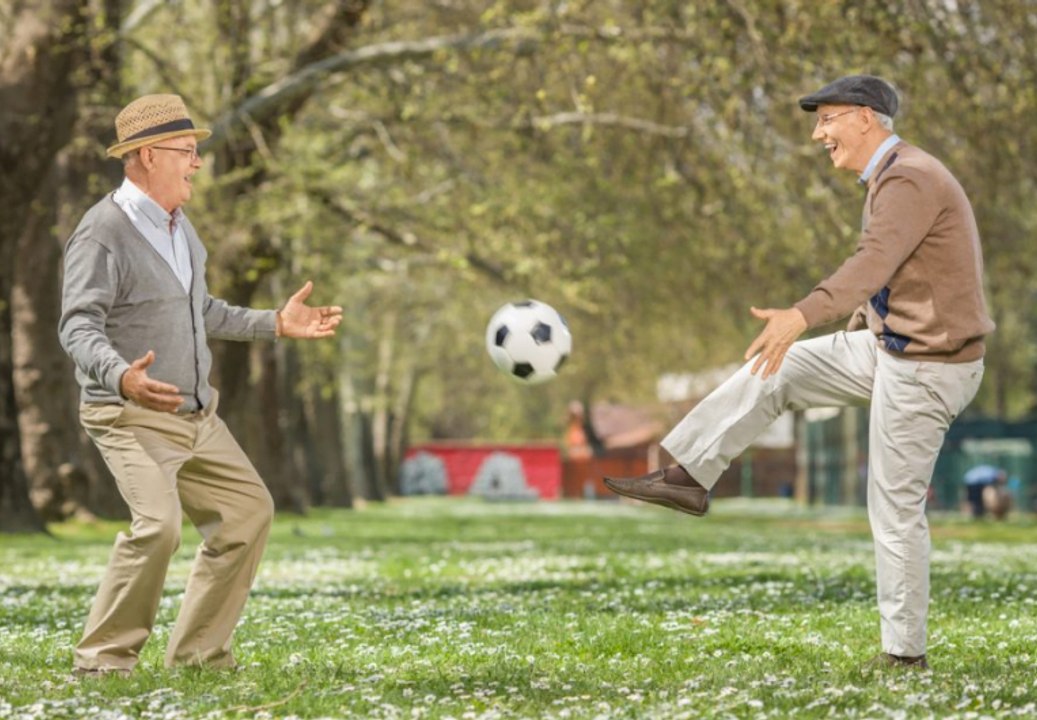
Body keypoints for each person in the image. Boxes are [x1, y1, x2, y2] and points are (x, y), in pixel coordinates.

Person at [605, 75, 994, 670]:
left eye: (827, 119)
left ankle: (904, 656)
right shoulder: (894, 176)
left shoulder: (911, 176)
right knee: (778, 366)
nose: (818, 133)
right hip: (893, 349)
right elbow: (900, 272)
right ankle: (688, 474)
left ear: (866, 118)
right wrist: (849, 325)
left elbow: (874, 261)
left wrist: (802, 314)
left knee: (893, 509)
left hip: (929, 368)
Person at [59, 94, 343, 675]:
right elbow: (77, 325)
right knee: (158, 527)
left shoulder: (181, 229)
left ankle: (197, 657)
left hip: (196, 417)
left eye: (196, 152)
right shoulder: (102, 232)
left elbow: (201, 310)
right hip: (127, 414)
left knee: (247, 513)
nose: (197, 163)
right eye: (186, 152)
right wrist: (121, 377)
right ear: (144, 156)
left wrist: (274, 325)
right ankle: (103, 660)